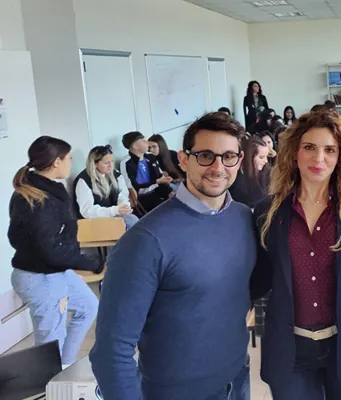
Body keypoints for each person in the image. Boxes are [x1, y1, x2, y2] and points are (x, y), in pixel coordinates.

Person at [90, 112, 255, 400]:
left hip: (237, 380)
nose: (218, 167)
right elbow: (111, 352)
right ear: (183, 159)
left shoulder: (242, 218)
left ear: (239, 161)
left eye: (228, 156)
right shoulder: (145, 240)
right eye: (205, 155)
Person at [250, 111, 341, 400]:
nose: (319, 159)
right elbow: (258, 279)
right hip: (290, 350)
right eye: (309, 147)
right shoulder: (269, 212)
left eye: (330, 150)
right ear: (294, 152)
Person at [9, 136, 102, 365]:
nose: (71, 163)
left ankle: (65, 366)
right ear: (56, 162)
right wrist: (87, 262)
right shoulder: (38, 198)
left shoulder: (41, 191)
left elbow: (22, 238)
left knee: (88, 307)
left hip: (51, 271)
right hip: (41, 277)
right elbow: (49, 249)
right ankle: (52, 379)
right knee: (50, 344)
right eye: (69, 158)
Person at [74, 145, 139, 228]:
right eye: (106, 163)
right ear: (95, 164)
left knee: (133, 220)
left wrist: (124, 206)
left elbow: (122, 195)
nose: (111, 166)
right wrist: (114, 210)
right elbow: (87, 211)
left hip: (115, 216)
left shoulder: (116, 175)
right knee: (131, 223)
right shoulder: (83, 181)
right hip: (95, 221)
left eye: (112, 161)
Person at [120, 131, 173, 212]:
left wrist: (169, 191)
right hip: (143, 199)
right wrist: (157, 181)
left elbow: (160, 176)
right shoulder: (127, 163)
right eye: (143, 141)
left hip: (158, 192)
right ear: (135, 146)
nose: (147, 143)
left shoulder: (150, 156)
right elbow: (132, 188)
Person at [228, 135, 270, 208]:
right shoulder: (235, 177)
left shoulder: (266, 172)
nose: (266, 161)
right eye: (261, 157)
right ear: (249, 157)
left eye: (266, 156)